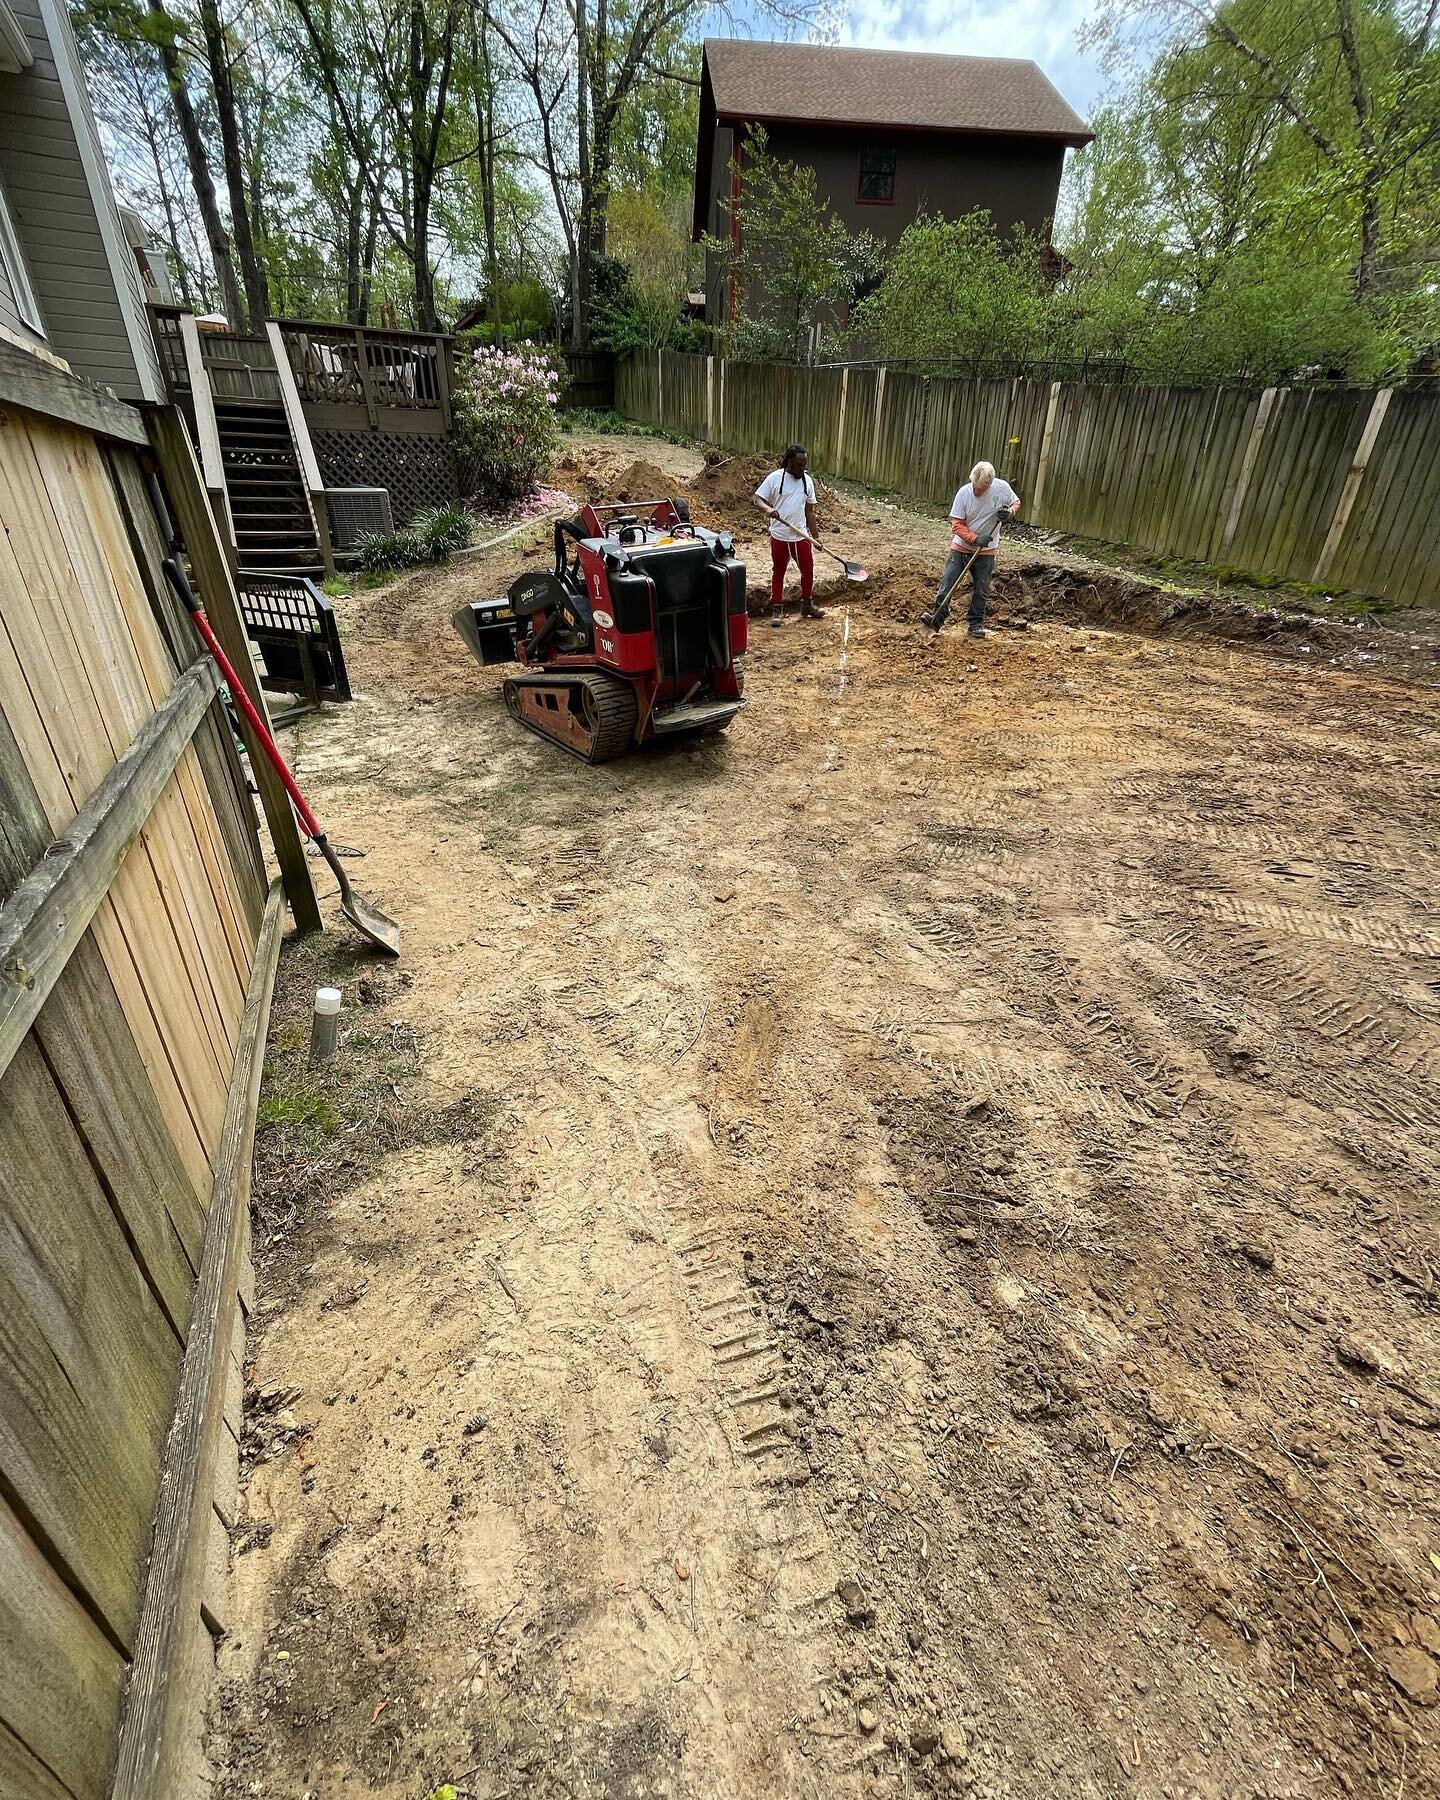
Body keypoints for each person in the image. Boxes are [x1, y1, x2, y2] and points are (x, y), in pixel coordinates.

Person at [921, 460, 1020, 639]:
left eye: (982, 488)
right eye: (976, 486)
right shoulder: (964, 494)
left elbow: (1015, 502)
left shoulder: (1002, 488)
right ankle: (936, 619)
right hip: (961, 547)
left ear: (990, 484)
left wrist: (1010, 513)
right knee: (948, 583)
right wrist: (975, 539)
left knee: (981, 589)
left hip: (987, 551)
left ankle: (976, 624)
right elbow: (957, 525)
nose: (977, 491)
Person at [754, 444, 827, 627]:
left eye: (804, 464)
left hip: (800, 536)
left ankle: (807, 605)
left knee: (808, 570)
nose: (802, 469)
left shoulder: (807, 481)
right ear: (789, 462)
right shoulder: (775, 478)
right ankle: (777, 609)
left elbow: (810, 511)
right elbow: (757, 499)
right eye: (799, 465)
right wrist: (769, 509)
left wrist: (816, 537)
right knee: (778, 571)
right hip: (779, 535)